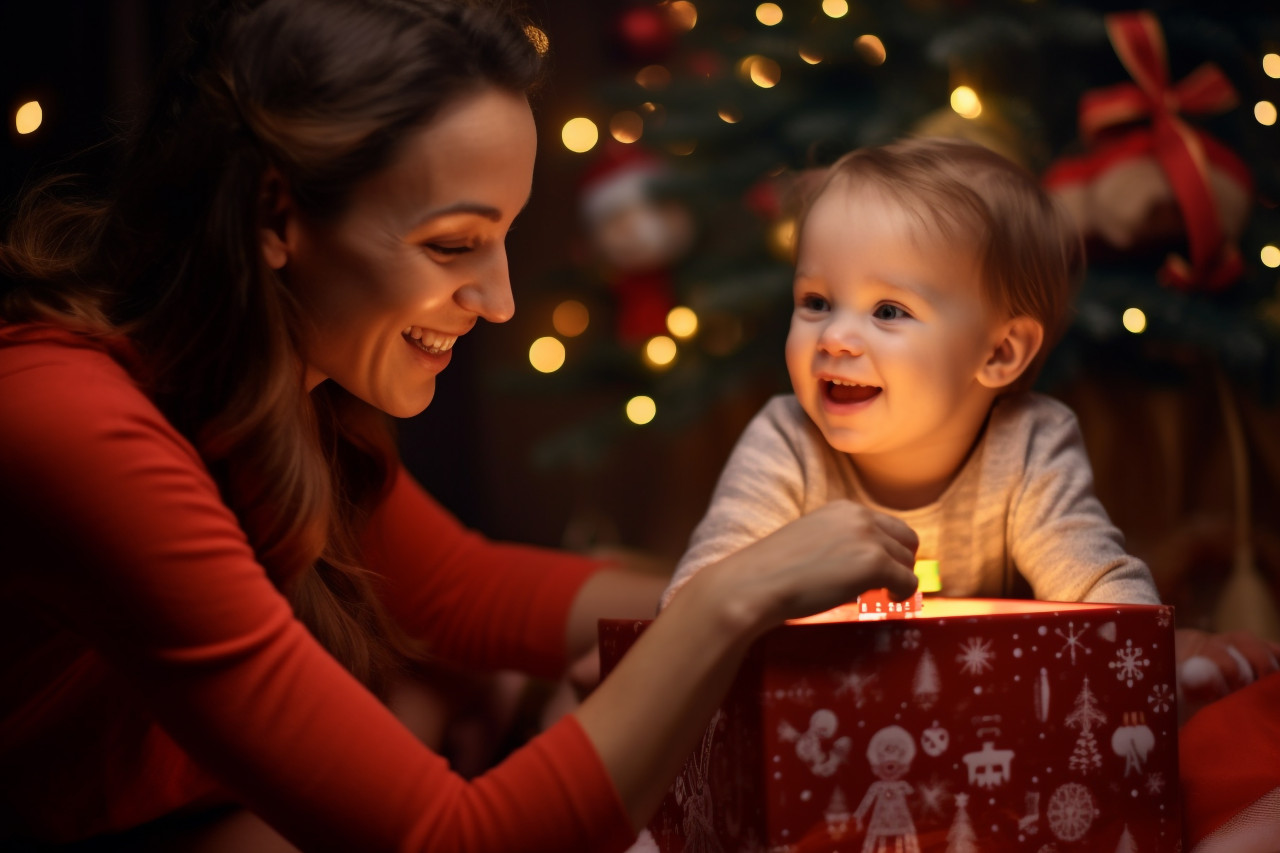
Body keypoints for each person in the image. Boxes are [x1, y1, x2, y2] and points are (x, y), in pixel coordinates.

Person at [0, 1, 925, 851]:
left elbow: (462, 590)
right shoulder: (72, 424)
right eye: (452, 244)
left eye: (504, 237)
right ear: (274, 215)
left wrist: (781, 600)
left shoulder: (276, 395)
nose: (499, 299)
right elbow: (453, 840)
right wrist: (728, 603)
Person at [659, 138, 1278, 708]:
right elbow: (697, 601)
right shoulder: (785, 440)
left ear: (999, 353)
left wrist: (1147, 661)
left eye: (888, 310)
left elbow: (1097, 587)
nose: (835, 337)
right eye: (816, 302)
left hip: (980, 717)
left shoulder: (1028, 444)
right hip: (815, 712)